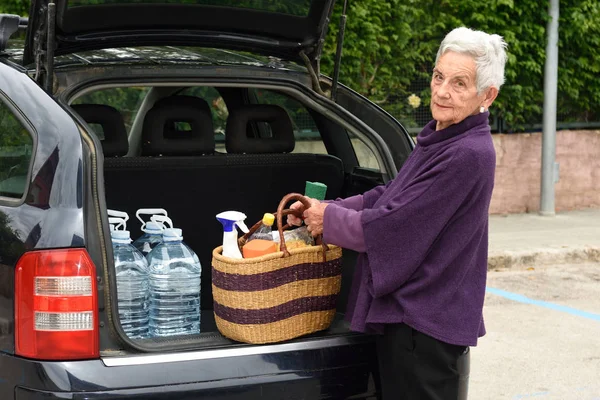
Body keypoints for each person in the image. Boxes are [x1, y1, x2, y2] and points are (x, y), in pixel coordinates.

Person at [288, 27, 508, 399]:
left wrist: (327, 220)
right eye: (439, 77)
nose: (441, 91)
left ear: (487, 95)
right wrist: (328, 208)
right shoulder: (443, 135)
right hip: (410, 325)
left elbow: (394, 227)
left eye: (459, 83)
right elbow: (390, 195)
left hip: (425, 332)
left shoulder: (468, 153)